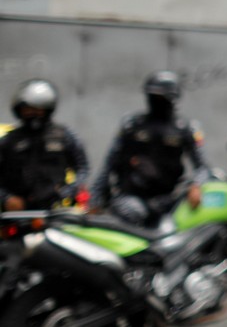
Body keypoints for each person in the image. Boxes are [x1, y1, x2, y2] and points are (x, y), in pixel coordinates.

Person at [91, 70, 209, 227]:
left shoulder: (185, 129)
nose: (156, 101)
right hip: (131, 198)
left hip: (168, 201)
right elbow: (109, 164)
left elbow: (202, 168)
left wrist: (196, 185)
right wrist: (95, 199)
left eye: (161, 97)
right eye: (153, 96)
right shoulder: (132, 125)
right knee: (132, 215)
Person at [0, 79, 90, 211]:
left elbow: (82, 168)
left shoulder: (64, 136)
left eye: (38, 110)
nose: (32, 114)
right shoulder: (9, 141)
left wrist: (68, 191)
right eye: (28, 110)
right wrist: (6, 198)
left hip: (55, 209)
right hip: (18, 212)